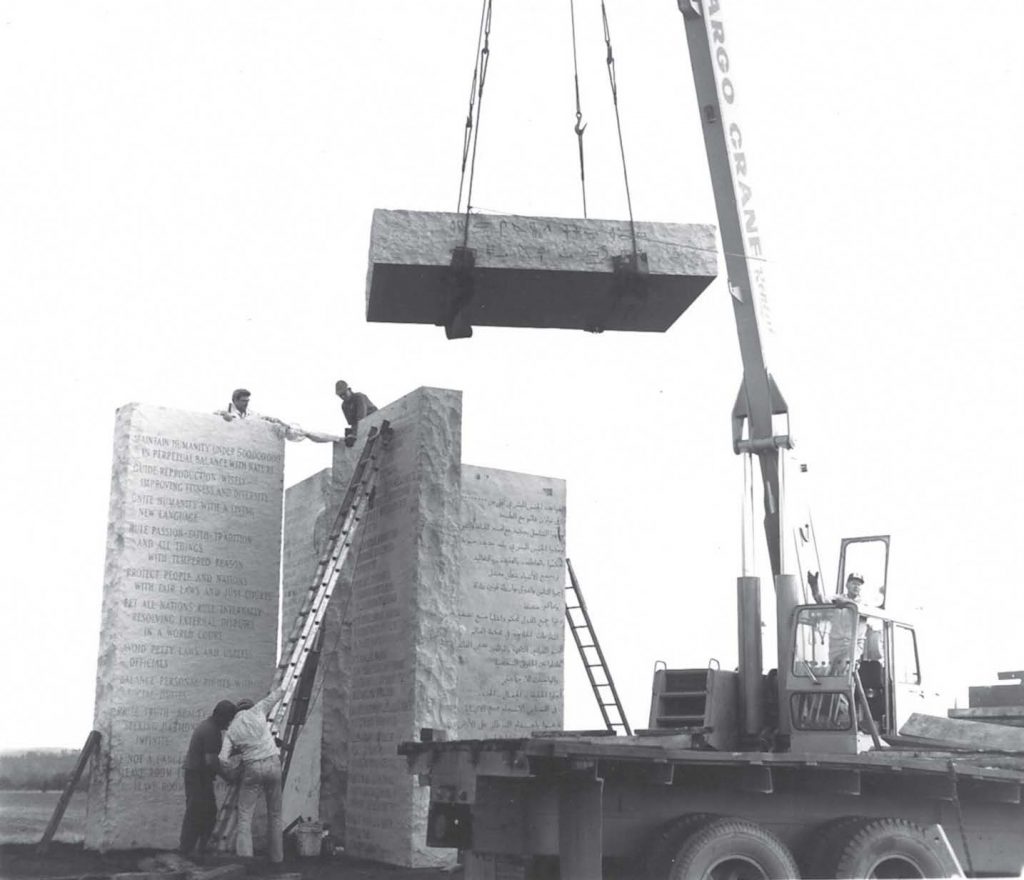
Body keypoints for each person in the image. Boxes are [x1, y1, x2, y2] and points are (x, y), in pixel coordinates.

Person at [219, 686, 285, 863]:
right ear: (250, 706)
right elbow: (278, 694)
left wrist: (231, 773)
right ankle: (277, 859)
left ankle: (246, 860)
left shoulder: (232, 730)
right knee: (276, 815)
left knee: (245, 816)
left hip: (252, 768)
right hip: (273, 763)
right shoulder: (258, 710)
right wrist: (280, 687)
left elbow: (223, 759)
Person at [179, 699, 237, 858]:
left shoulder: (209, 727)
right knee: (199, 812)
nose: (229, 723)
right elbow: (211, 761)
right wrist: (228, 777)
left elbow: (213, 755)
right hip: (198, 776)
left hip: (197, 774)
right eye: (229, 719)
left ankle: (193, 849)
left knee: (202, 812)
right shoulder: (211, 730)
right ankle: (189, 850)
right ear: (221, 716)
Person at [335, 380, 378, 447]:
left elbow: (361, 417)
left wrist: (354, 434)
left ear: (349, 390)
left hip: (375, 420)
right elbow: (351, 422)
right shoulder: (344, 406)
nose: (343, 397)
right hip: (361, 425)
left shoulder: (359, 397)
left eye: (344, 394)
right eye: (340, 396)